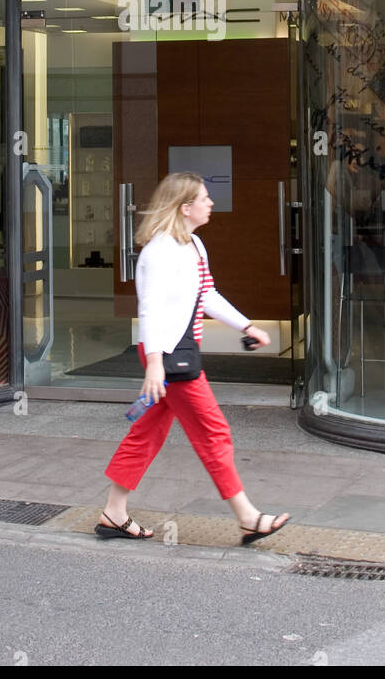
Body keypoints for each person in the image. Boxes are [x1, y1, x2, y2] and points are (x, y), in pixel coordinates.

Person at [96, 172, 290, 545]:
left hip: (176, 352)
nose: (210, 203)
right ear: (185, 207)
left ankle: (113, 513)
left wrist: (246, 326)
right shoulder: (159, 252)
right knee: (214, 431)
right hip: (169, 357)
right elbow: (149, 309)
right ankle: (248, 517)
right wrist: (154, 363)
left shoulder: (194, 246)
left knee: (146, 432)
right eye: (204, 198)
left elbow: (208, 295)